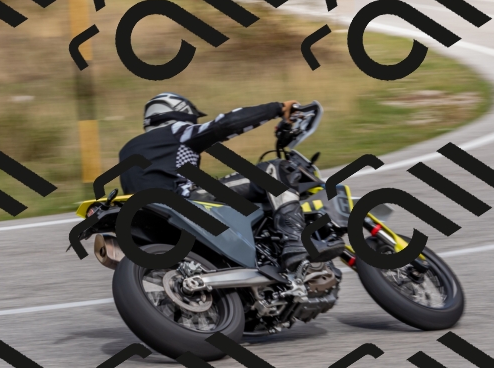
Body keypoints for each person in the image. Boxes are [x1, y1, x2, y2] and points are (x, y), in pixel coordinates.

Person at [118, 92, 345, 272]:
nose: (195, 122)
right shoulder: (177, 131)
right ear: (180, 113)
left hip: (150, 221)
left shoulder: (127, 149)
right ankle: (295, 240)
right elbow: (226, 124)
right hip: (185, 203)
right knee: (275, 169)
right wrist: (278, 108)